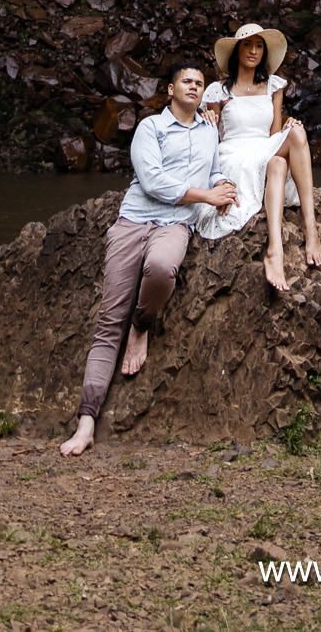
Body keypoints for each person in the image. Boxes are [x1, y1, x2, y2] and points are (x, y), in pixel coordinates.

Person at [58, 60, 236, 458]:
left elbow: (214, 172)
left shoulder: (210, 131)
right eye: (186, 81)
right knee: (108, 321)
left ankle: (143, 323)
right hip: (134, 220)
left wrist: (222, 186)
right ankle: (86, 422)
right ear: (170, 90)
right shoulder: (150, 128)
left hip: (176, 225)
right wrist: (207, 197)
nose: (193, 86)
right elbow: (152, 180)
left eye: (199, 83)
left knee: (161, 269)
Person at [199, 21, 321, 293]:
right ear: (237, 50)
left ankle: (306, 232)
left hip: (264, 145)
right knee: (278, 164)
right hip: (233, 152)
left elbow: (274, 132)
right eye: (248, 44)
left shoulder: (273, 86)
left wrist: (288, 129)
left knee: (295, 133)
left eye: (259, 46)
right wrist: (208, 117)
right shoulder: (218, 91)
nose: (254, 51)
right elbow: (209, 137)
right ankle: (276, 251)